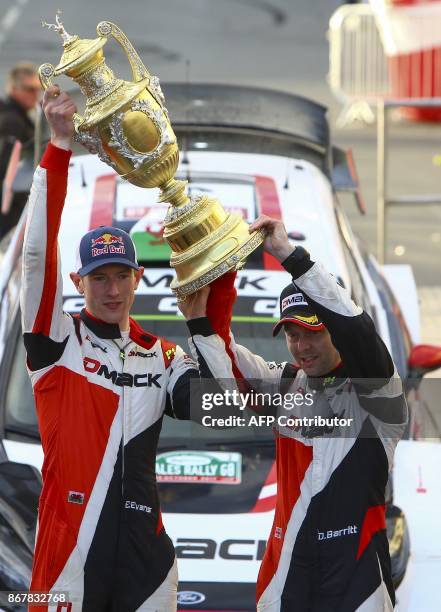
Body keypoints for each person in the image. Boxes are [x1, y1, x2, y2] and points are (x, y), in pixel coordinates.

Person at [20, 86, 227, 612]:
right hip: (68, 557)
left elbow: (220, 403)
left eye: (120, 277)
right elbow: (35, 256)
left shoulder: (163, 356)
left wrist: (206, 314)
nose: (111, 291)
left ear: (138, 278)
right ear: (78, 281)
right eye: (98, 279)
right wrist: (59, 147)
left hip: (147, 563)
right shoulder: (56, 342)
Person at [179, 216, 408, 612]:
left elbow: (359, 332)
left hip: (356, 584)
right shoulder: (285, 385)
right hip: (286, 579)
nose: (302, 346)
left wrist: (289, 255)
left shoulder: (378, 394)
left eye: (313, 331)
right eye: (292, 333)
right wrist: (219, 277)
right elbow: (227, 366)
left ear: (334, 329)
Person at [0, 61, 41, 238]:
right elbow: (8, 169)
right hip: (9, 204)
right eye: (29, 89)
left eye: (38, 89)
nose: (36, 94)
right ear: (14, 88)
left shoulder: (16, 116)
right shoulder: (12, 121)